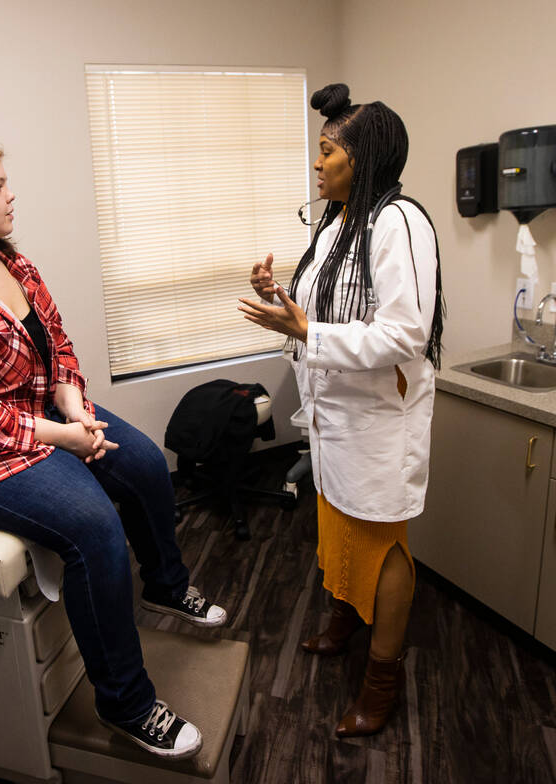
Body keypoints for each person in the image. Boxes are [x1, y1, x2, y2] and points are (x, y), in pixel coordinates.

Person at [0, 140, 227, 760]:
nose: (10, 194)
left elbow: (59, 345)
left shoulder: (10, 263)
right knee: (95, 526)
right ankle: (125, 704)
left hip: (37, 415)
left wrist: (73, 404)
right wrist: (65, 438)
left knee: (146, 463)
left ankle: (166, 584)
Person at [238, 84, 444, 737]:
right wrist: (281, 302)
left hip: (378, 419)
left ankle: (382, 680)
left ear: (365, 158)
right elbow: (316, 314)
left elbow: (406, 333)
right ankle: (344, 620)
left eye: (328, 152)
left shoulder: (397, 222)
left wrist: (307, 333)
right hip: (334, 417)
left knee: (381, 543)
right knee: (336, 523)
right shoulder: (336, 226)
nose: (317, 164)